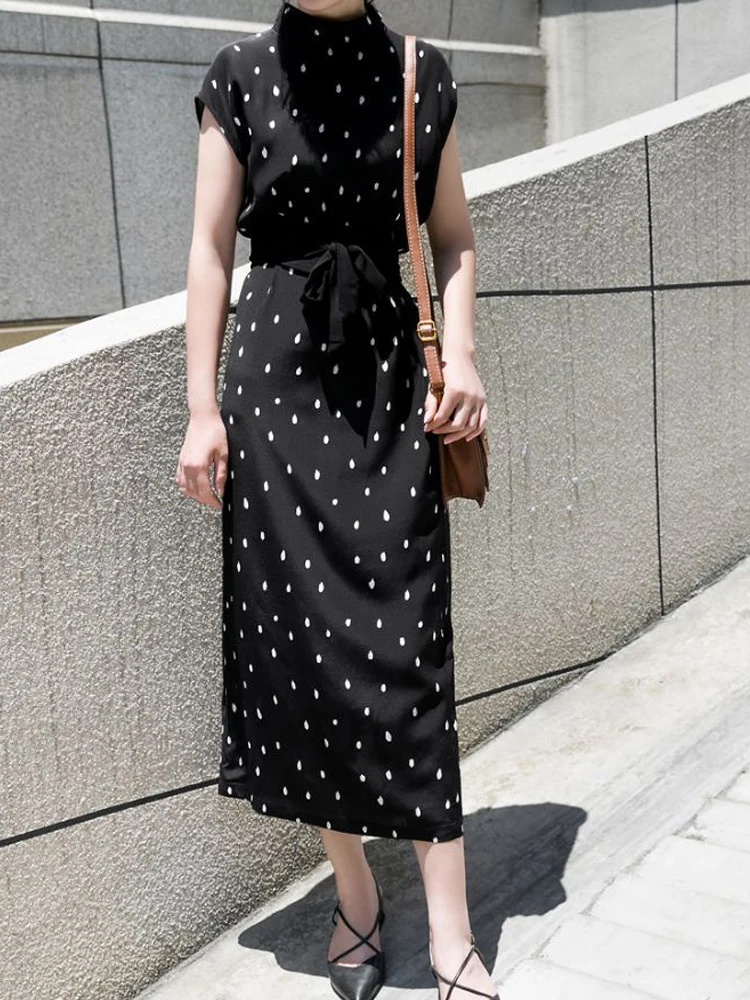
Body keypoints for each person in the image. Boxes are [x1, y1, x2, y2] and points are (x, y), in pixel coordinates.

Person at [176, 1, 493, 998]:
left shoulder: (419, 71)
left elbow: (453, 238)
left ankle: (452, 928)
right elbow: (210, 249)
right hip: (275, 393)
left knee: (411, 645)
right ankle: (356, 893)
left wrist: (463, 357)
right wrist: (201, 409)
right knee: (306, 654)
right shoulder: (239, 75)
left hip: (390, 389)